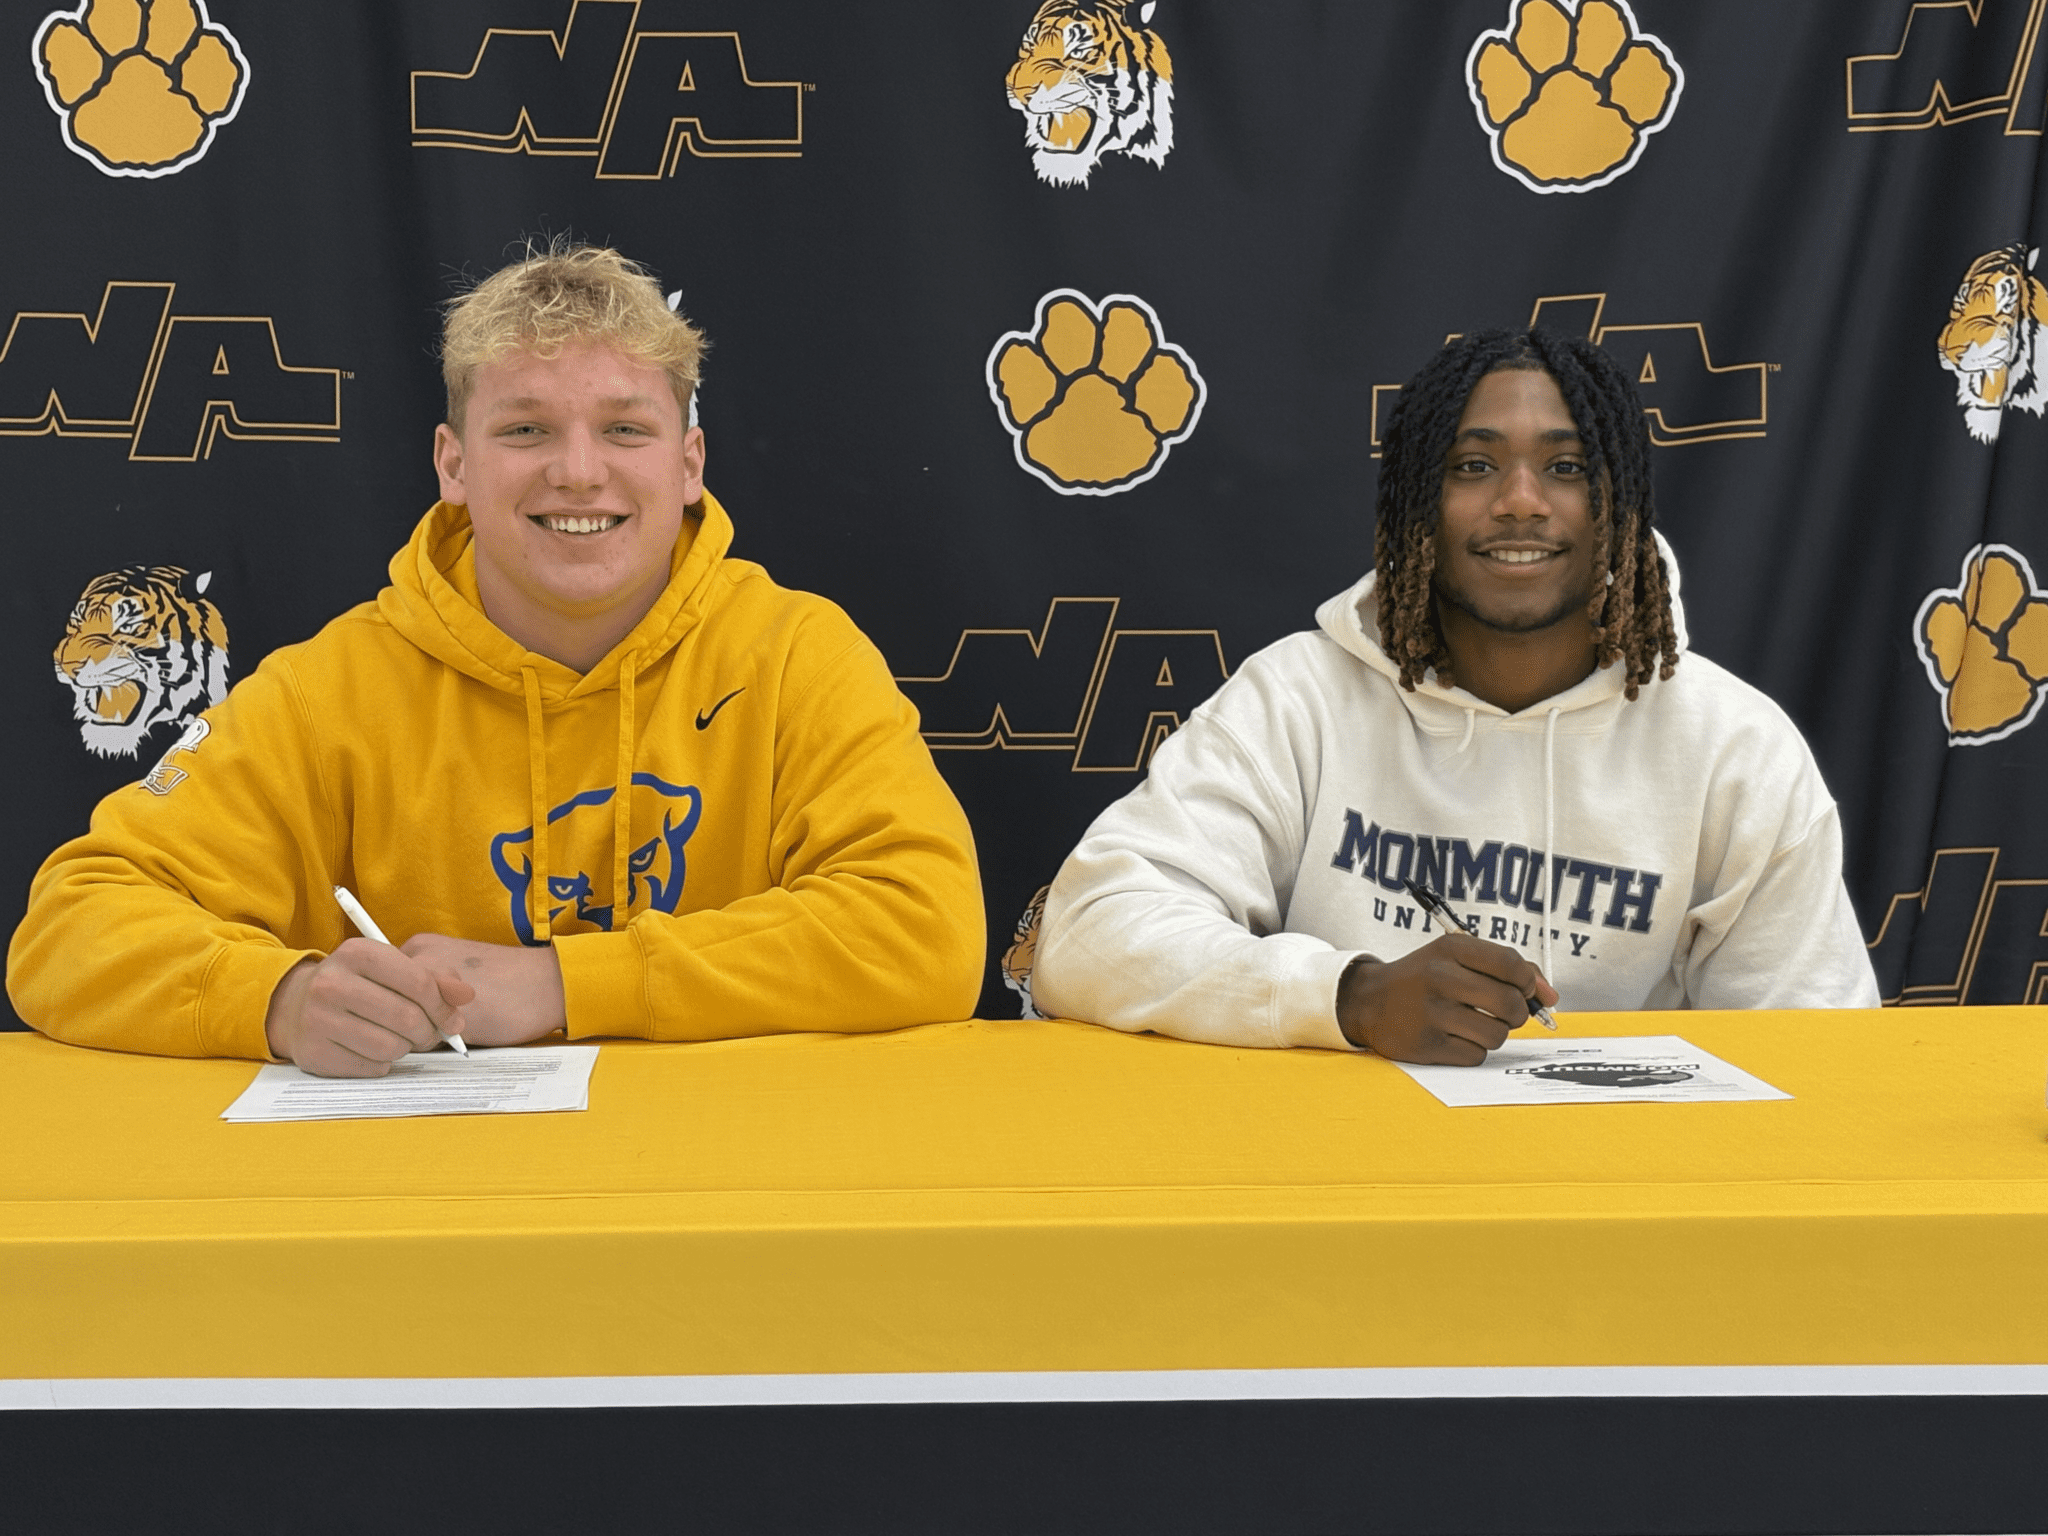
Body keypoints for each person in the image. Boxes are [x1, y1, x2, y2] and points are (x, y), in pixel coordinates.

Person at [8, 242, 984, 1076]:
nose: (576, 470)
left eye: (624, 429)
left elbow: (927, 931)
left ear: (687, 464)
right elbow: (68, 928)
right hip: (423, 1221)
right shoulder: (333, 690)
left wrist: (564, 982)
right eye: (524, 429)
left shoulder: (793, 656)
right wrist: (276, 998)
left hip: (725, 1200)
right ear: (453, 465)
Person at [1031, 328, 1879, 1065]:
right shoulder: (1300, 698)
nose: (1520, 502)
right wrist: (1351, 1000)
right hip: (1338, 1192)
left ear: (1616, 504)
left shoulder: (1733, 746)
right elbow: (1088, 935)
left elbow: (1816, 1046)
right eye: (1474, 465)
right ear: (1417, 508)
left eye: (1566, 466)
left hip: (1620, 1201)